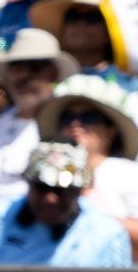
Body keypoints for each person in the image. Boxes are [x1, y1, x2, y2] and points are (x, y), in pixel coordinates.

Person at [0, 28, 77, 234]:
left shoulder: (70, 126)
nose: (23, 76)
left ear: (52, 73)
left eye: (34, 67)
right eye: (16, 67)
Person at [0, 141, 131, 267]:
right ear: (28, 184)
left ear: (78, 191)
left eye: (61, 191)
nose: (50, 199)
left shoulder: (108, 233)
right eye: (42, 188)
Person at [37, 75, 138, 252]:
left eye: (89, 117)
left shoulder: (128, 173)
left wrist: (86, 213)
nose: (76, 124)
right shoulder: (43, 173)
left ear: (111, 130)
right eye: (67, 118)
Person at [29, 0, 137, 93]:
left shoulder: (128, 84)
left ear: (110, 32)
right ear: (63, 31)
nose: (81, 23)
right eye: (73, 18)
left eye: (92, 18)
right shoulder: (47, 82)